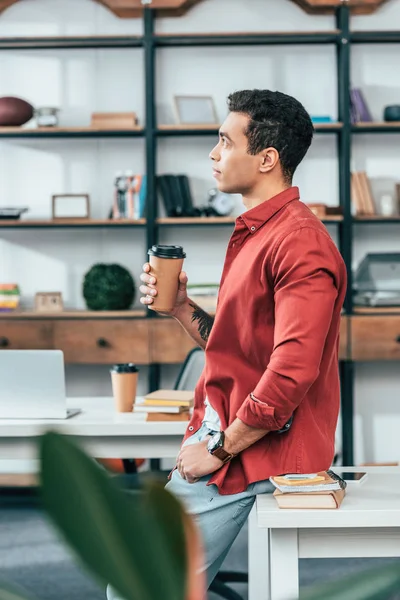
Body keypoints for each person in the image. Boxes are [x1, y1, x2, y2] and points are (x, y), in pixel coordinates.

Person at [139, 89, 347, 589]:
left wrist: (219, 449)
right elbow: (239, 349)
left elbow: (292, 370)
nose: (214, 154)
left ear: (267, 159)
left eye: (225, 141)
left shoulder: (298, 243)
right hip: (229, 437)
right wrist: (182, 309)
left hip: (255, 452)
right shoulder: (259, 232)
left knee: (140, 584)